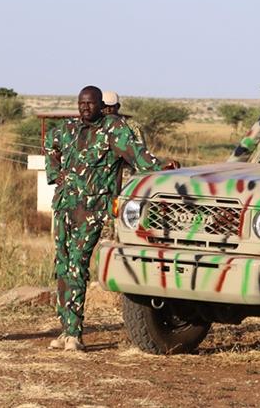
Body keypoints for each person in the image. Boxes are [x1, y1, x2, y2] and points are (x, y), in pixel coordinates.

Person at [44, 86, 179, 351]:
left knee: (77, 263)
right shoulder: (69, 128)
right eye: (81, 103)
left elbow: (138, 156)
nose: (85, 107)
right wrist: (55, 172)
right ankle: (66, 329)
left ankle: (74, 334)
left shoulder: (114, 129)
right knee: (62, 264)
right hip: (64, 206)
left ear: (100, 105)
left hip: (91, 209)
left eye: (90, 103)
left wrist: (162, 168)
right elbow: (50, 142)